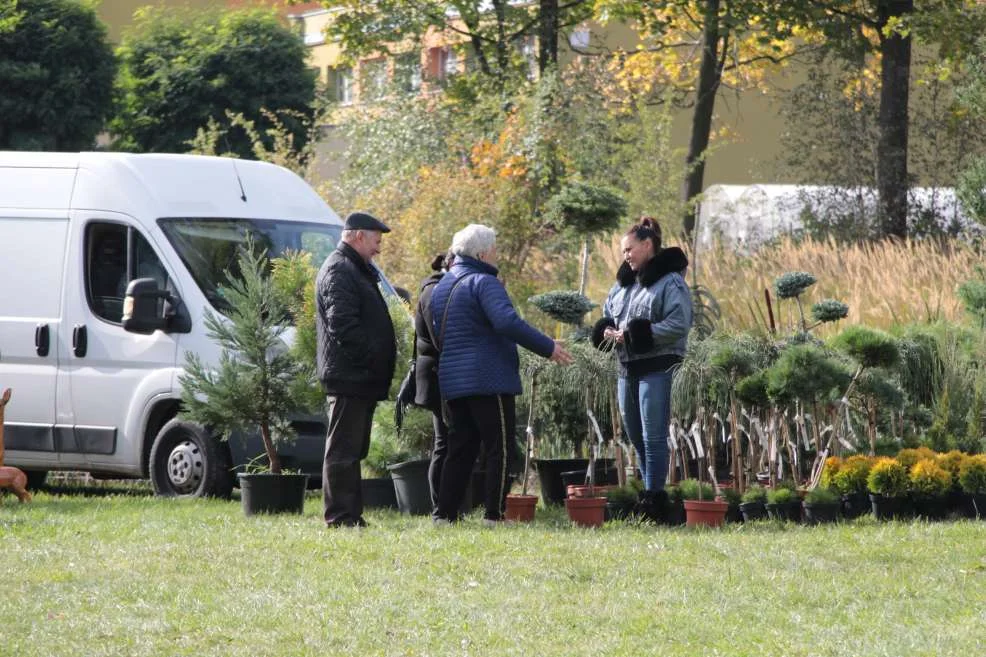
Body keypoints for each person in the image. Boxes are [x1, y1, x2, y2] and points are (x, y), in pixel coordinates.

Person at [430, 224, 573, 525]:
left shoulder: (442, 286)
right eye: (495, 250)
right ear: (482, 254)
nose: (498, 256)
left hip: (453, 380)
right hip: (487, 378)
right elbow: (507, 322)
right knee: (501, 448)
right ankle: (493, 515)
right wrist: (548, 347)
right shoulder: (484, 282)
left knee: (461, 448)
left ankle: (444, 514)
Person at [592, 216, 692, 521]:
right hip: (626, 368)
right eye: (623, 252)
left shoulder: (671, 281)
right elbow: (608, 313)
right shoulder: (622, 285)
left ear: (647, 245)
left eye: (629, 250)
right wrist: (608, 331)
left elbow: (679, 323)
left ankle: (654, 502)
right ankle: (653, 495)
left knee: (653, 437)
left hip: (658, 368)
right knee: (635, 436)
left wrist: (638, 334)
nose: (625, 256)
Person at [315, 211, 396, 528]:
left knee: (351, 450)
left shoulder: (353, 268)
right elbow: (343, 326)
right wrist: (371, 358)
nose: (379, 248)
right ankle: (340, 516)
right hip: (349, 376)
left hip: (358, 377)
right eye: (377, 241)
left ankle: (349, 514)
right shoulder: (339, 269)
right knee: (343, 451)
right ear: (358, 236)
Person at [412, 251, 454, 515]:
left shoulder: (436, 288)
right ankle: (440, 505)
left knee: (447, 441)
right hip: (438, 374)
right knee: (444, 442)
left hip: (439, 371)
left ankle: (446, 504)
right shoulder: (434, 291)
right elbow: (440, 337)